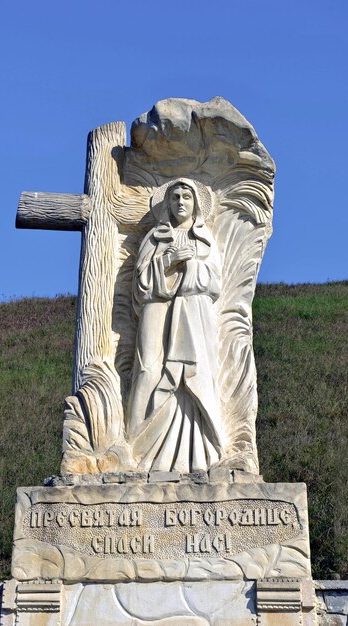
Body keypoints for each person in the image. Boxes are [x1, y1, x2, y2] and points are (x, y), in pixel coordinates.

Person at [127, 178, 224, 472]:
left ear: (196, 205)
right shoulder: (155, 239)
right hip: (157, 307)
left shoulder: (204, 240)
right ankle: (135, 446)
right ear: (166, 204)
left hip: (193, 314)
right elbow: (140, 286)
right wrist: (168, 261)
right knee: (148, 370)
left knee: (195, 376)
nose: (180, 202)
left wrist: (191, 265)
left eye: (186, 197)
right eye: (175, 197)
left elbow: (215, 284)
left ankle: (200, 452)